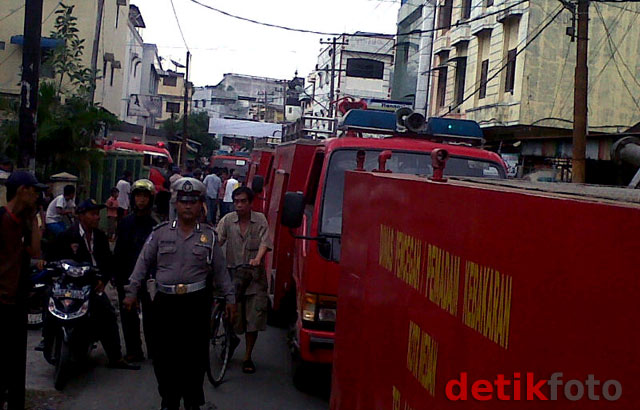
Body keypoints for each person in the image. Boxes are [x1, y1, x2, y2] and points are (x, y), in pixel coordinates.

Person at [123, 177, 236, 410]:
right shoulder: (161, 233)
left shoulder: (209, 236)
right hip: (165, 303)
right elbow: (142, 264)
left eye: (192, 202)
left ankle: (193, 401)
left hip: (195, 304)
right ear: (176, 204)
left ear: (200, 205)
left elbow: (221, 271)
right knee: (164, 356)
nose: (187, 206)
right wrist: (131, 292)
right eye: (183, 201)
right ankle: (169, 399)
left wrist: (230, 299)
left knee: (194, 357)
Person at [47, 199, 139, 370]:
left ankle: (115, 357)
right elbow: (53, 257)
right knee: (50, 305)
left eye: (97, 214)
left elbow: (108, 262)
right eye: (92, 214)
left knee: (108, 312)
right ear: (81, 216)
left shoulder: (100, 237)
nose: (97, 217)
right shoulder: (67, 236)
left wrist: (103, 281)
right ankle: (48, 340)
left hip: (92, 286)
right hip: (70, 286)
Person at [0, 171, 46, 409]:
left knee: (17, 364)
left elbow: (35, 252)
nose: (37, 195)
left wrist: (35, 220)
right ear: (22, 191)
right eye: (34, 190)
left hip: (18, 302)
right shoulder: (2, 219)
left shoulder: (25, 222)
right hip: (1, 302)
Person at [217, 186, 272, 374]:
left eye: (243, 201)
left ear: (250, 203)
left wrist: (258, 258)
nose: (239, 205)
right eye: (236, 201)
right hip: (233, 277)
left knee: (253, 319)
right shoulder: (227, 221)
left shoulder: (260, 220)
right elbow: (218, 241)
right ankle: (230, 338)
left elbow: (265, 242)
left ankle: (248, 357)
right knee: (234, 317)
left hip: (255, 278)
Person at [114, 179, 157, 362]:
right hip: (127, 275)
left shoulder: (155, 225)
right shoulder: (125, 223)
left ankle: (154, 350)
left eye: (145, 196)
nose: (141, 200)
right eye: (138, 196)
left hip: (149, 278)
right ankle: (133, 349)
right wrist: (117, 275)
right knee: (128, 314)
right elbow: (119, 250)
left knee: (152, 316)